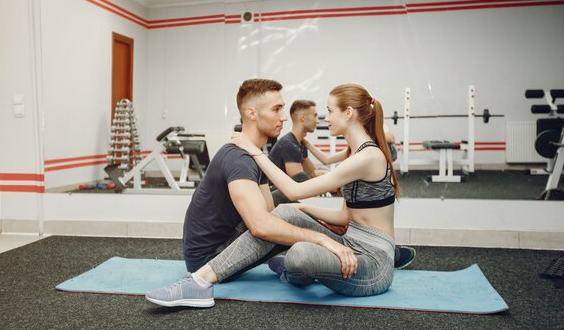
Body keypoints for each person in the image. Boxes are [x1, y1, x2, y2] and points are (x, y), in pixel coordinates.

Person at [145, 79, 356, 308]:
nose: (284, 117)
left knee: (286, 209)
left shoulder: (254, 154)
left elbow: (270, 211)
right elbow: (261, 226)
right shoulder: (239, 159)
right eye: (276, 109)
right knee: (275, 225)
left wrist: (315, 220)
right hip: (210, 259)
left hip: (226, 239)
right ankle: (197, 284)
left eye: (282, 108)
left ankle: (331, 249)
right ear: (252, 113)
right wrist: (322, 239)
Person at [271, 100, 415, 269]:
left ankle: (296, 267)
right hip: (354, 237)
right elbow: (304, 179)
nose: (323, 119)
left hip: (371, 253)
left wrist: (255, 153)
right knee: (289, 215)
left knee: (302, 251)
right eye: (318, 114)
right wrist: (329, 181)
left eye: (329, 111)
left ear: (348, 113)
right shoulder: (293, 143)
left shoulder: (366, 156)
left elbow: (300, 183)